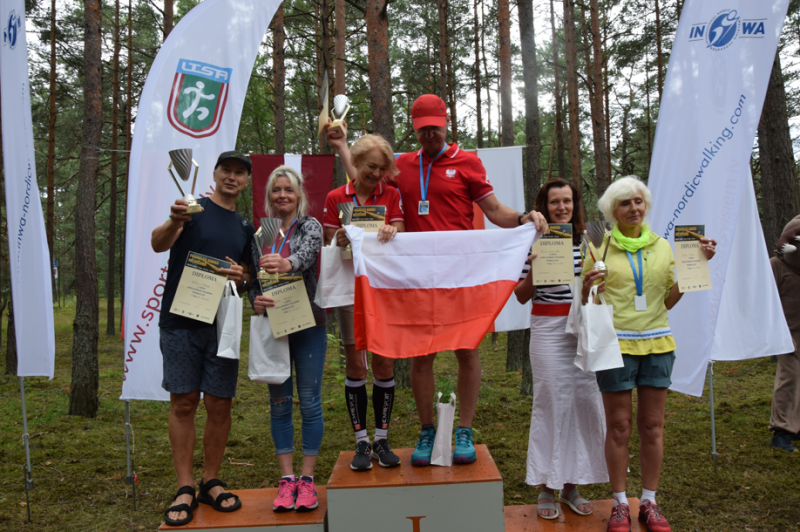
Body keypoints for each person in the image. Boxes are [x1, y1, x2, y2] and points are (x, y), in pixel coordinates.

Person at [327, 94, 547, 467]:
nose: (429, 134)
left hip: (461, 275)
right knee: (421, 352)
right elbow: (366, 176)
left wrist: (524, 218)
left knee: (467, 349)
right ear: (415, 129)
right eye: (422, 129)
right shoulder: (403, 165)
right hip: (416, 277)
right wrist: (342, 146)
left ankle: (464, 430)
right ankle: (427, 429)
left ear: (446, 123)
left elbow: (494, 210)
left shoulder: (467, 162)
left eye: (435, 127)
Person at [581, 176, 716, 532]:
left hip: (658, 344)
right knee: (620, 426)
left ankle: (650, 501)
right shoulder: (597, 245)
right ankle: (619, 503)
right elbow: (586, 301)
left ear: (646, 206)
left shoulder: (662, 246)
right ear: (612, 210)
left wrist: (698, 263)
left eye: (638, 201)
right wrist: (586, 289)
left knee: (652, 426)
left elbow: (668, 300)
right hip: (615, 345)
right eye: (625, 203)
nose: (633, 208)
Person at [151, 151, 255, 527]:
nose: (232, 177)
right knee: (183, 403)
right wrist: (174, 219)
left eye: (239, 173)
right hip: (180, 322)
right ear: (215, 173)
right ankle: (184, 486)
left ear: (246, 182)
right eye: (226, 170)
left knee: (219, 405)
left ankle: (211, 480)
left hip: (221, 325)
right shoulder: (191, 208)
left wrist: (242, 276)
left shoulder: (245, 227)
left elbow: (248, 278)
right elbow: (158, 243)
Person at [514, 179, 607, 520]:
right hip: (548, 330)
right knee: (551, 404)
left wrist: (596, 285)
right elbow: (520, 295)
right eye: (555, 202)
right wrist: (536, 270)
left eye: (567, 201)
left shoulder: (592, 240)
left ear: (575, 204)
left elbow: (605, 289)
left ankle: (571, 486)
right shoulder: (533, 240)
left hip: (585, 328)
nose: (562, 207)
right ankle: (545, 486)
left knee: (584, 404)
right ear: (544, 205)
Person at [324, 131, 406, 471]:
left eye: (383, 169)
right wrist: (339, 237)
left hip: (383, 289)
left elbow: (401, 229)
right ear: (356, 162)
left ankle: (381, 439)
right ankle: (361, 441)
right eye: (371, 166)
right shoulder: (335, 197)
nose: (376, 174)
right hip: (349, 289)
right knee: (356, 365)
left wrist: (392, 230)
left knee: (384, 365)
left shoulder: (392, 194)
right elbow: (329, 239)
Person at [247, 165, 327, 513]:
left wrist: (286, 263)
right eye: (277, 190)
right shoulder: (259, 233)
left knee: (309, 402)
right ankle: (286, 479)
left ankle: (307, 479)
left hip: (308, 323)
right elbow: (253, 281)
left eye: (288, 190)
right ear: (270, 195)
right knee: (279, 403)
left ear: (298, 195)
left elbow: (307, 255)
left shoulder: (310, 226)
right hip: (274, 325)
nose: (282, 195)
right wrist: (254, 300)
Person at [769, 215, 800, 452]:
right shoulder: (777, 266)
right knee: (790, 377)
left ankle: (796, 425)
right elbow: (765, 300)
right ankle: (782, 430)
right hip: (788, 335)